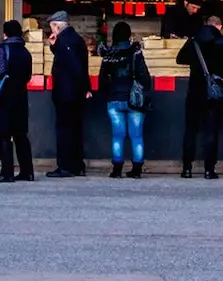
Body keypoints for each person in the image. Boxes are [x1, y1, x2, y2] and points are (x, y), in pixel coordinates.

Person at [178, 8, 223, 179]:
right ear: (219, 26)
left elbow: (180, 59)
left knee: (190, 130)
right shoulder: (220, 41)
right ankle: (209, 170)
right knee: (211, 130)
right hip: (212, 93)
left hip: (194, 91)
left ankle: (186, 168)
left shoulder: (194, 40)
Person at [97, 21, 151, 178]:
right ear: (128, 35)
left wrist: (105, 94)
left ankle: (117, 169)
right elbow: (145, 78)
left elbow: (102, 79)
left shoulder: (109, 54)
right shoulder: (135, 52)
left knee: (117, 135)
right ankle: (137, 169)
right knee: (136, 135)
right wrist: (143, 89)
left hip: (114, 98)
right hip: (134, 100)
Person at [0, 19, 34, 183]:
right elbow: (28, 75)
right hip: (21, 95)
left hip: (6, 95)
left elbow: (0, 70)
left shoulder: (4, 48)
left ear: (6, 33)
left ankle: (6, 172)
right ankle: (27, 172)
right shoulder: (25, 51)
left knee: (5, 135)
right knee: (21, 134)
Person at [46, 10, 90, 178]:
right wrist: (53, 46)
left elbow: (74, 66)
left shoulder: (65, 40)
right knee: (75, 129)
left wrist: (86, 88)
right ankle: (77, 165)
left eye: (52, 28)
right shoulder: (75, 39)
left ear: (57, 25)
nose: (52, 31)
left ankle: (66, 166)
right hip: (74, 94)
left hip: (66, 94)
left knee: (65, 131)